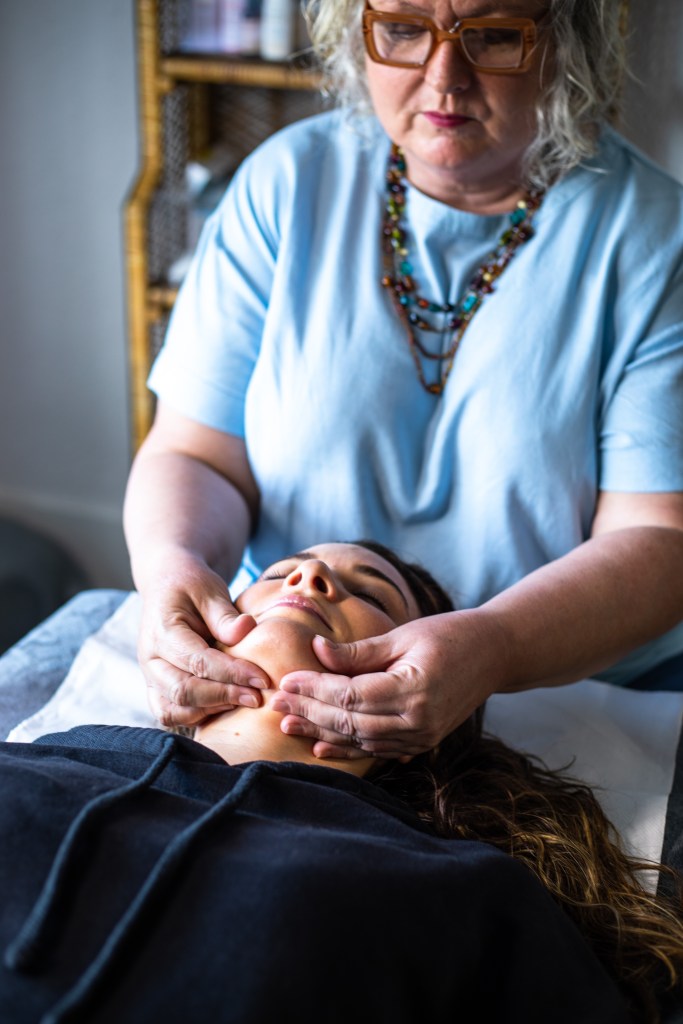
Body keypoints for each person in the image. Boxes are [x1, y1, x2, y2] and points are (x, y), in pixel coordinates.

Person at [123, 0, 683, 764]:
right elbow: (196, 454)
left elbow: (656, 537)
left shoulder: (655, 238)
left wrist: (496, 646)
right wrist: (172, 569)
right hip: (289, 681)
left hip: (569, 689)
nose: (442, 75)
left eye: (491, 35)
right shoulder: (285, 185)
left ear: (567, 43)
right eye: (402, 30)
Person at [1, 542, 682, 1023]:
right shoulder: (28, 761)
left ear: (431, 711)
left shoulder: (461, 893)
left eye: (369, 592)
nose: (309, 582)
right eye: (277, 572)